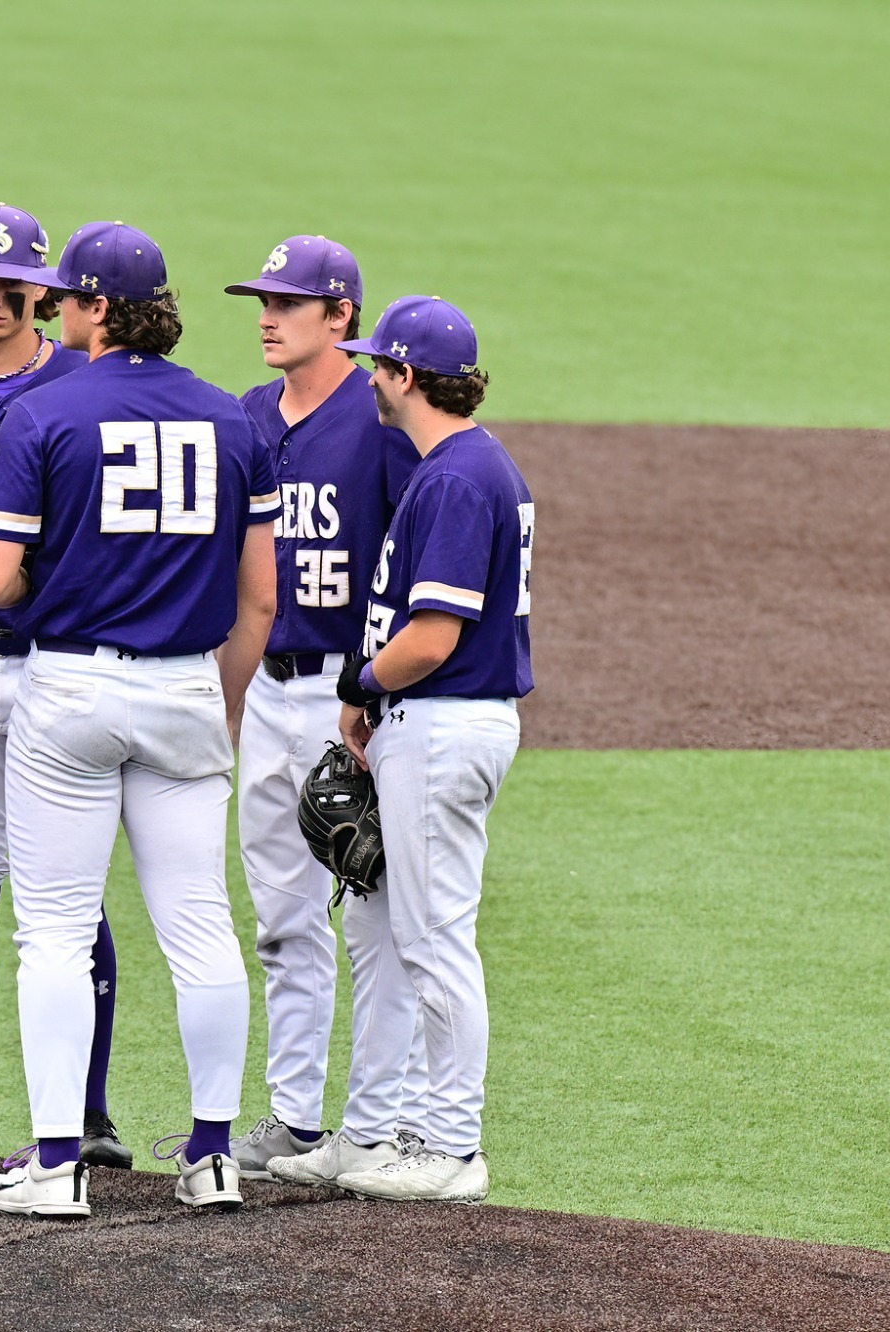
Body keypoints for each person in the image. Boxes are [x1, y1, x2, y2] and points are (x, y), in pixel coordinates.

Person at [0, 221, 279, 1217]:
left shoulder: (42, 414)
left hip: (69, 687)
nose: (51, 313)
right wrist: (216, 707)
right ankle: (215, 1156)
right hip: (188, 684)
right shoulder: (235, 420)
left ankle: (54, 1165)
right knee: (199, 928)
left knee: (51, 932)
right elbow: (260, 597)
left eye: (62, 300)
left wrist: (42, 590)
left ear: (99, 308)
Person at [0, 204, 129, 1169]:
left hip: (57, 664)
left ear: (45, 293)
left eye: (15, 288)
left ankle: (89, 1111)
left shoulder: (88, 384)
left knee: (73, 900)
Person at [218, 236, 425, 1186]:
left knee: (373, 916)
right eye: (264, 300)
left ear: (339, 316)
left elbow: (417, 564)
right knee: (281, 915)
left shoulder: (380, 423)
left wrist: (380, 696)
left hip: (352, 696)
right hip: (266, 688)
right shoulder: (248, 415)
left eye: (288, 303)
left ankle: (377, 1124)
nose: (267, 315)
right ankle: (296, 1118)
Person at [328, 296, 532, 1202]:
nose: (371, 376)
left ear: (407, 377)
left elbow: (432, 638)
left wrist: (361, 687)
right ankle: (417, 1130)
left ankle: (451, 1147)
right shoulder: (473, 467)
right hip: (448, 724)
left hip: (445, 722)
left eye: (380, 364)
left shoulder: (454, 478)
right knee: (416, 934)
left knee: (435, 939)